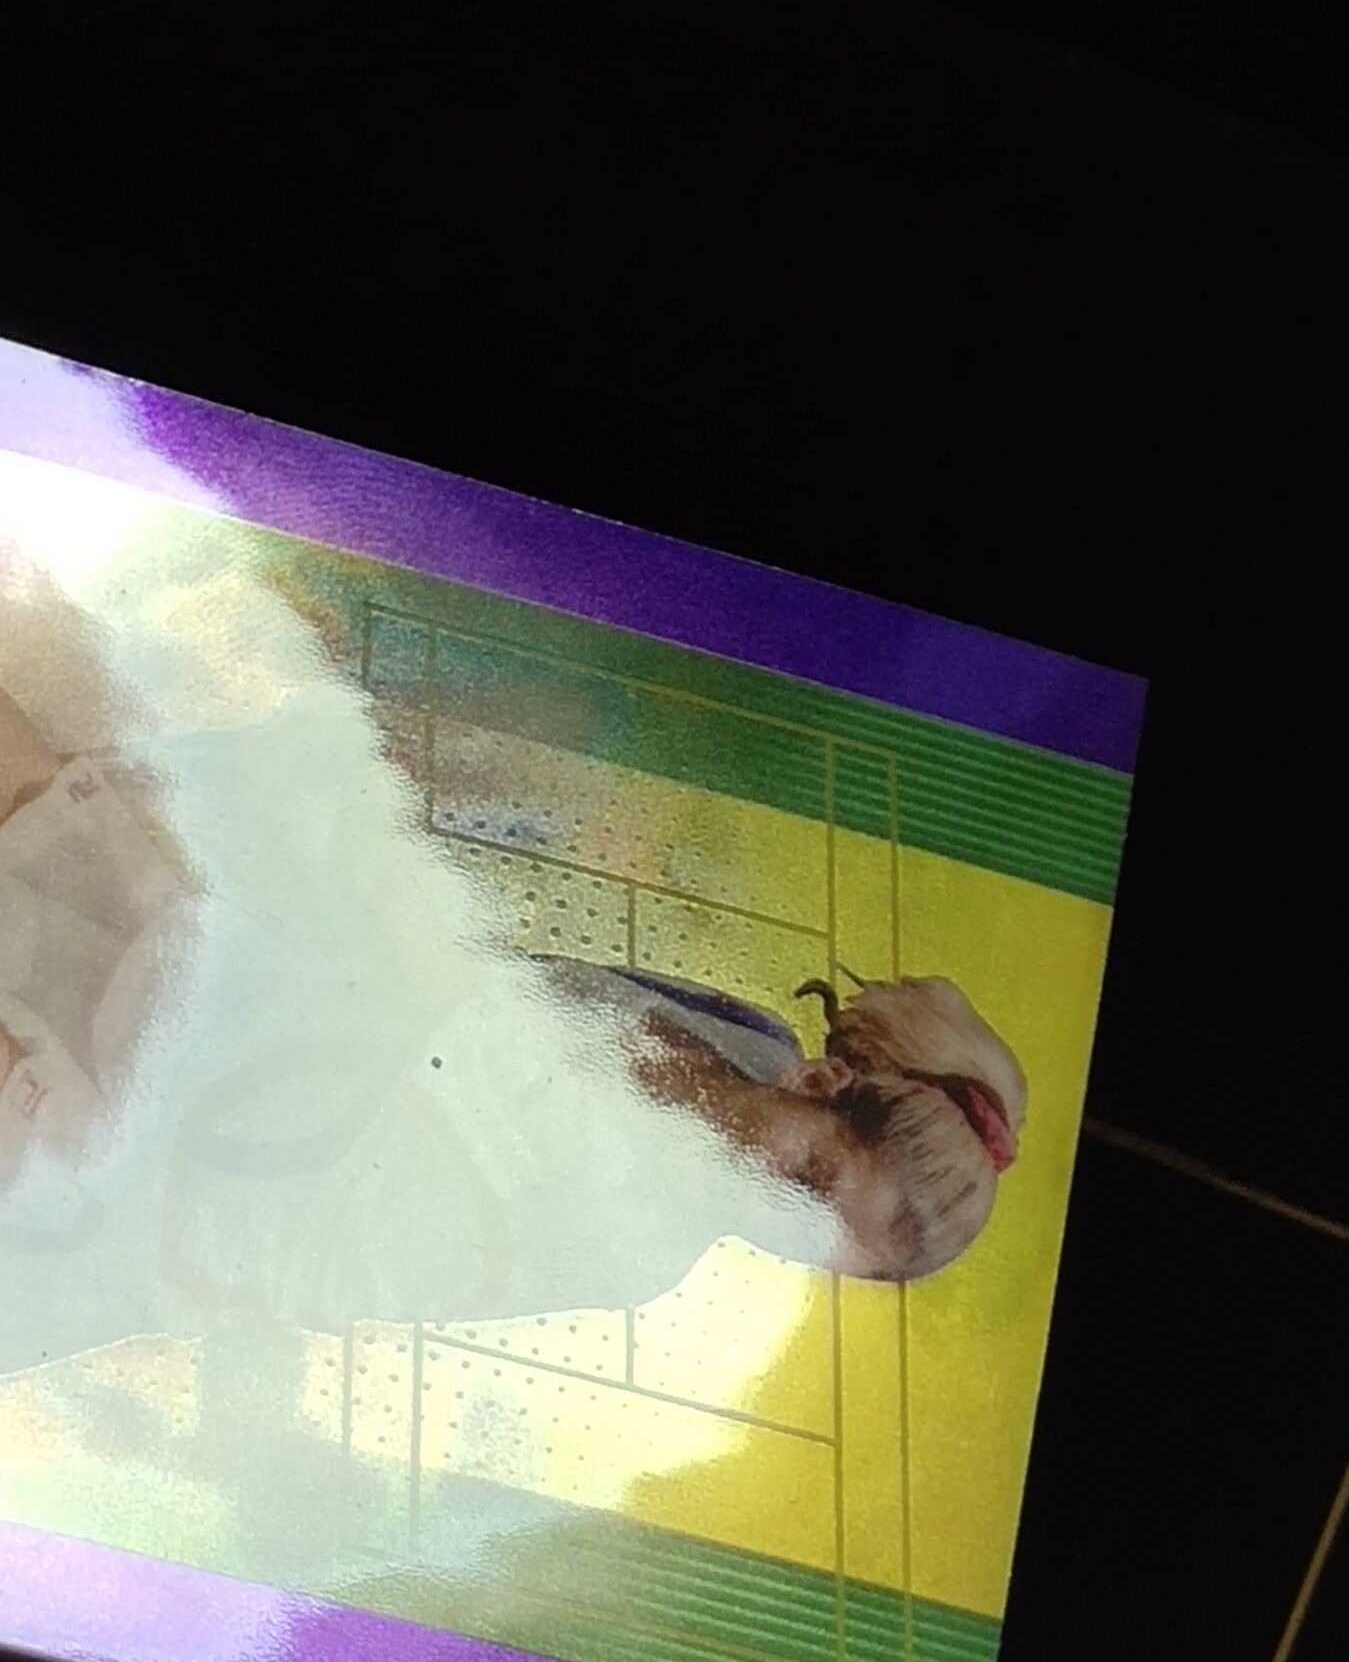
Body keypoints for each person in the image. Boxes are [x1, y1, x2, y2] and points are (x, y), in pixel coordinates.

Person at [0, 575, 1025, 1375]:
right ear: (817, 1082)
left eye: (808, 1242)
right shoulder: (743, 1038)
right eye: (808, 1179)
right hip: (220, 1000)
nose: (774, 1214)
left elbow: (427, 988)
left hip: (135, 1172)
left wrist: (317, 732)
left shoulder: (625, 1239)